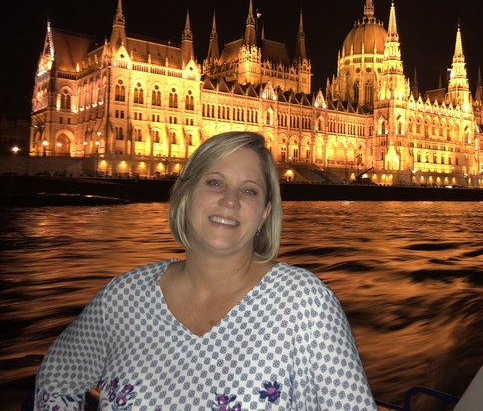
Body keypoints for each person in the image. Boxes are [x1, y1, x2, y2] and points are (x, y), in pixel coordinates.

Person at [34, 131, 377, 410]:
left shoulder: (305, 304)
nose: (230, 200)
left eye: (248, 190)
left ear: (264, 213)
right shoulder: (123, 298)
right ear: (185, 194)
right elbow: (58, 376)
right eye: (214, 182)